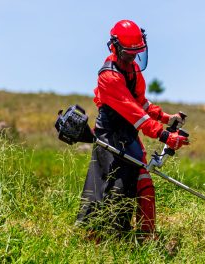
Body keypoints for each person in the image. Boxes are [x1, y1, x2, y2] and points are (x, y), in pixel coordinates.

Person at [76, 20, 189, 238]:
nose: (132, 59)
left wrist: (167, 118)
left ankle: (146, 239)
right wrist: (166, 135)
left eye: (136, 53)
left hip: (129, 134)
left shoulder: (134, 70)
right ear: (115, 48)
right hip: (110, 137)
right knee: (111, 193)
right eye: (128, 54)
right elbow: (136, 115)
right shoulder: (108, 77)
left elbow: (141, 104)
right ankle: (102, 240)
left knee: (144, 183)